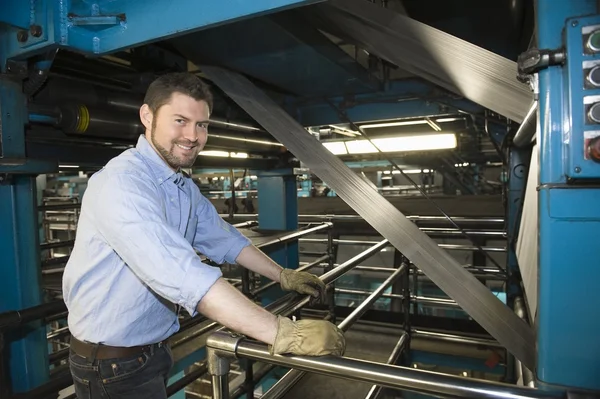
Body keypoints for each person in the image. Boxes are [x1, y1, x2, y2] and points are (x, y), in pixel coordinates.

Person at [62, 72, 345, 399]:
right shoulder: (122, 183)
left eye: (202, 125)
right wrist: (283, 332)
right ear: (147, 116)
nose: (193, 135)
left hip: (150, 352)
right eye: (180, 120)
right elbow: (181, 273)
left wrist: (280, 274)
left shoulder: (182, 187)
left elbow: (224, 238)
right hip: (112, 365)